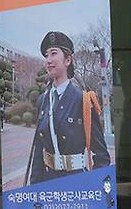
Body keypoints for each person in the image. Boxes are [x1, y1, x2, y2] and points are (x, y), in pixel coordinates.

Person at [30, 31, 110, 184]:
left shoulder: (84, 100)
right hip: (47, 181)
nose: (48, 60)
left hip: (76, 181)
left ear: (67, 60)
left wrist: (98, 188)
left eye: (53, 53)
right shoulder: (43, 100)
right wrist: (34, 189)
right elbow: (38, 153)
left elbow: (101, 155)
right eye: (46, 56)